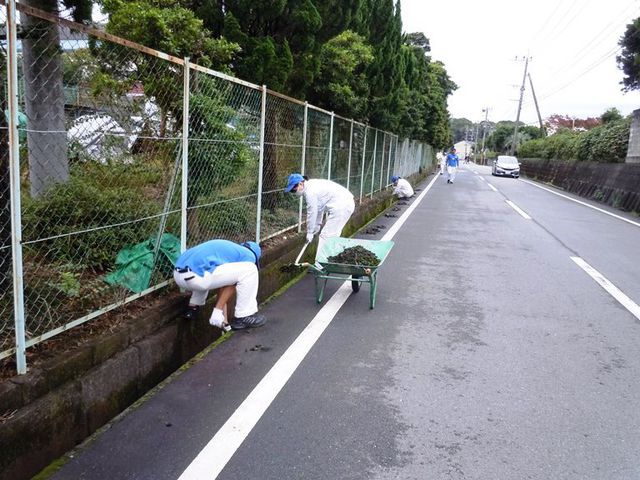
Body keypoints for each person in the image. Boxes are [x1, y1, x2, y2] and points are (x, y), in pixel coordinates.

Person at [174, 239, 266, 331]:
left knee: (206, 271)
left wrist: (224, 321)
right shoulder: (248, 255)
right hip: (196, 277)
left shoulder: (228, 250)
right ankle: (244, 316)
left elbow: (222, 283)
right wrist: (217, 312)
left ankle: (192, 308)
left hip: (179, 276)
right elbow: (228, 286)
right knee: (250, 269)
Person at [284, 173, 355, 258]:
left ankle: (320, 265)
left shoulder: (310, 192)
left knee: (326, 236)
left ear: (301, 183)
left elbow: (312, 212)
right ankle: (333, 259)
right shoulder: (312, 185)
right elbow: (319, 209)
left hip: (342, 207)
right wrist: (317, 225)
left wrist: (310, 232)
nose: (293, 192)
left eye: (293, 190)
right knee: (332, 236)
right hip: (345, 204)